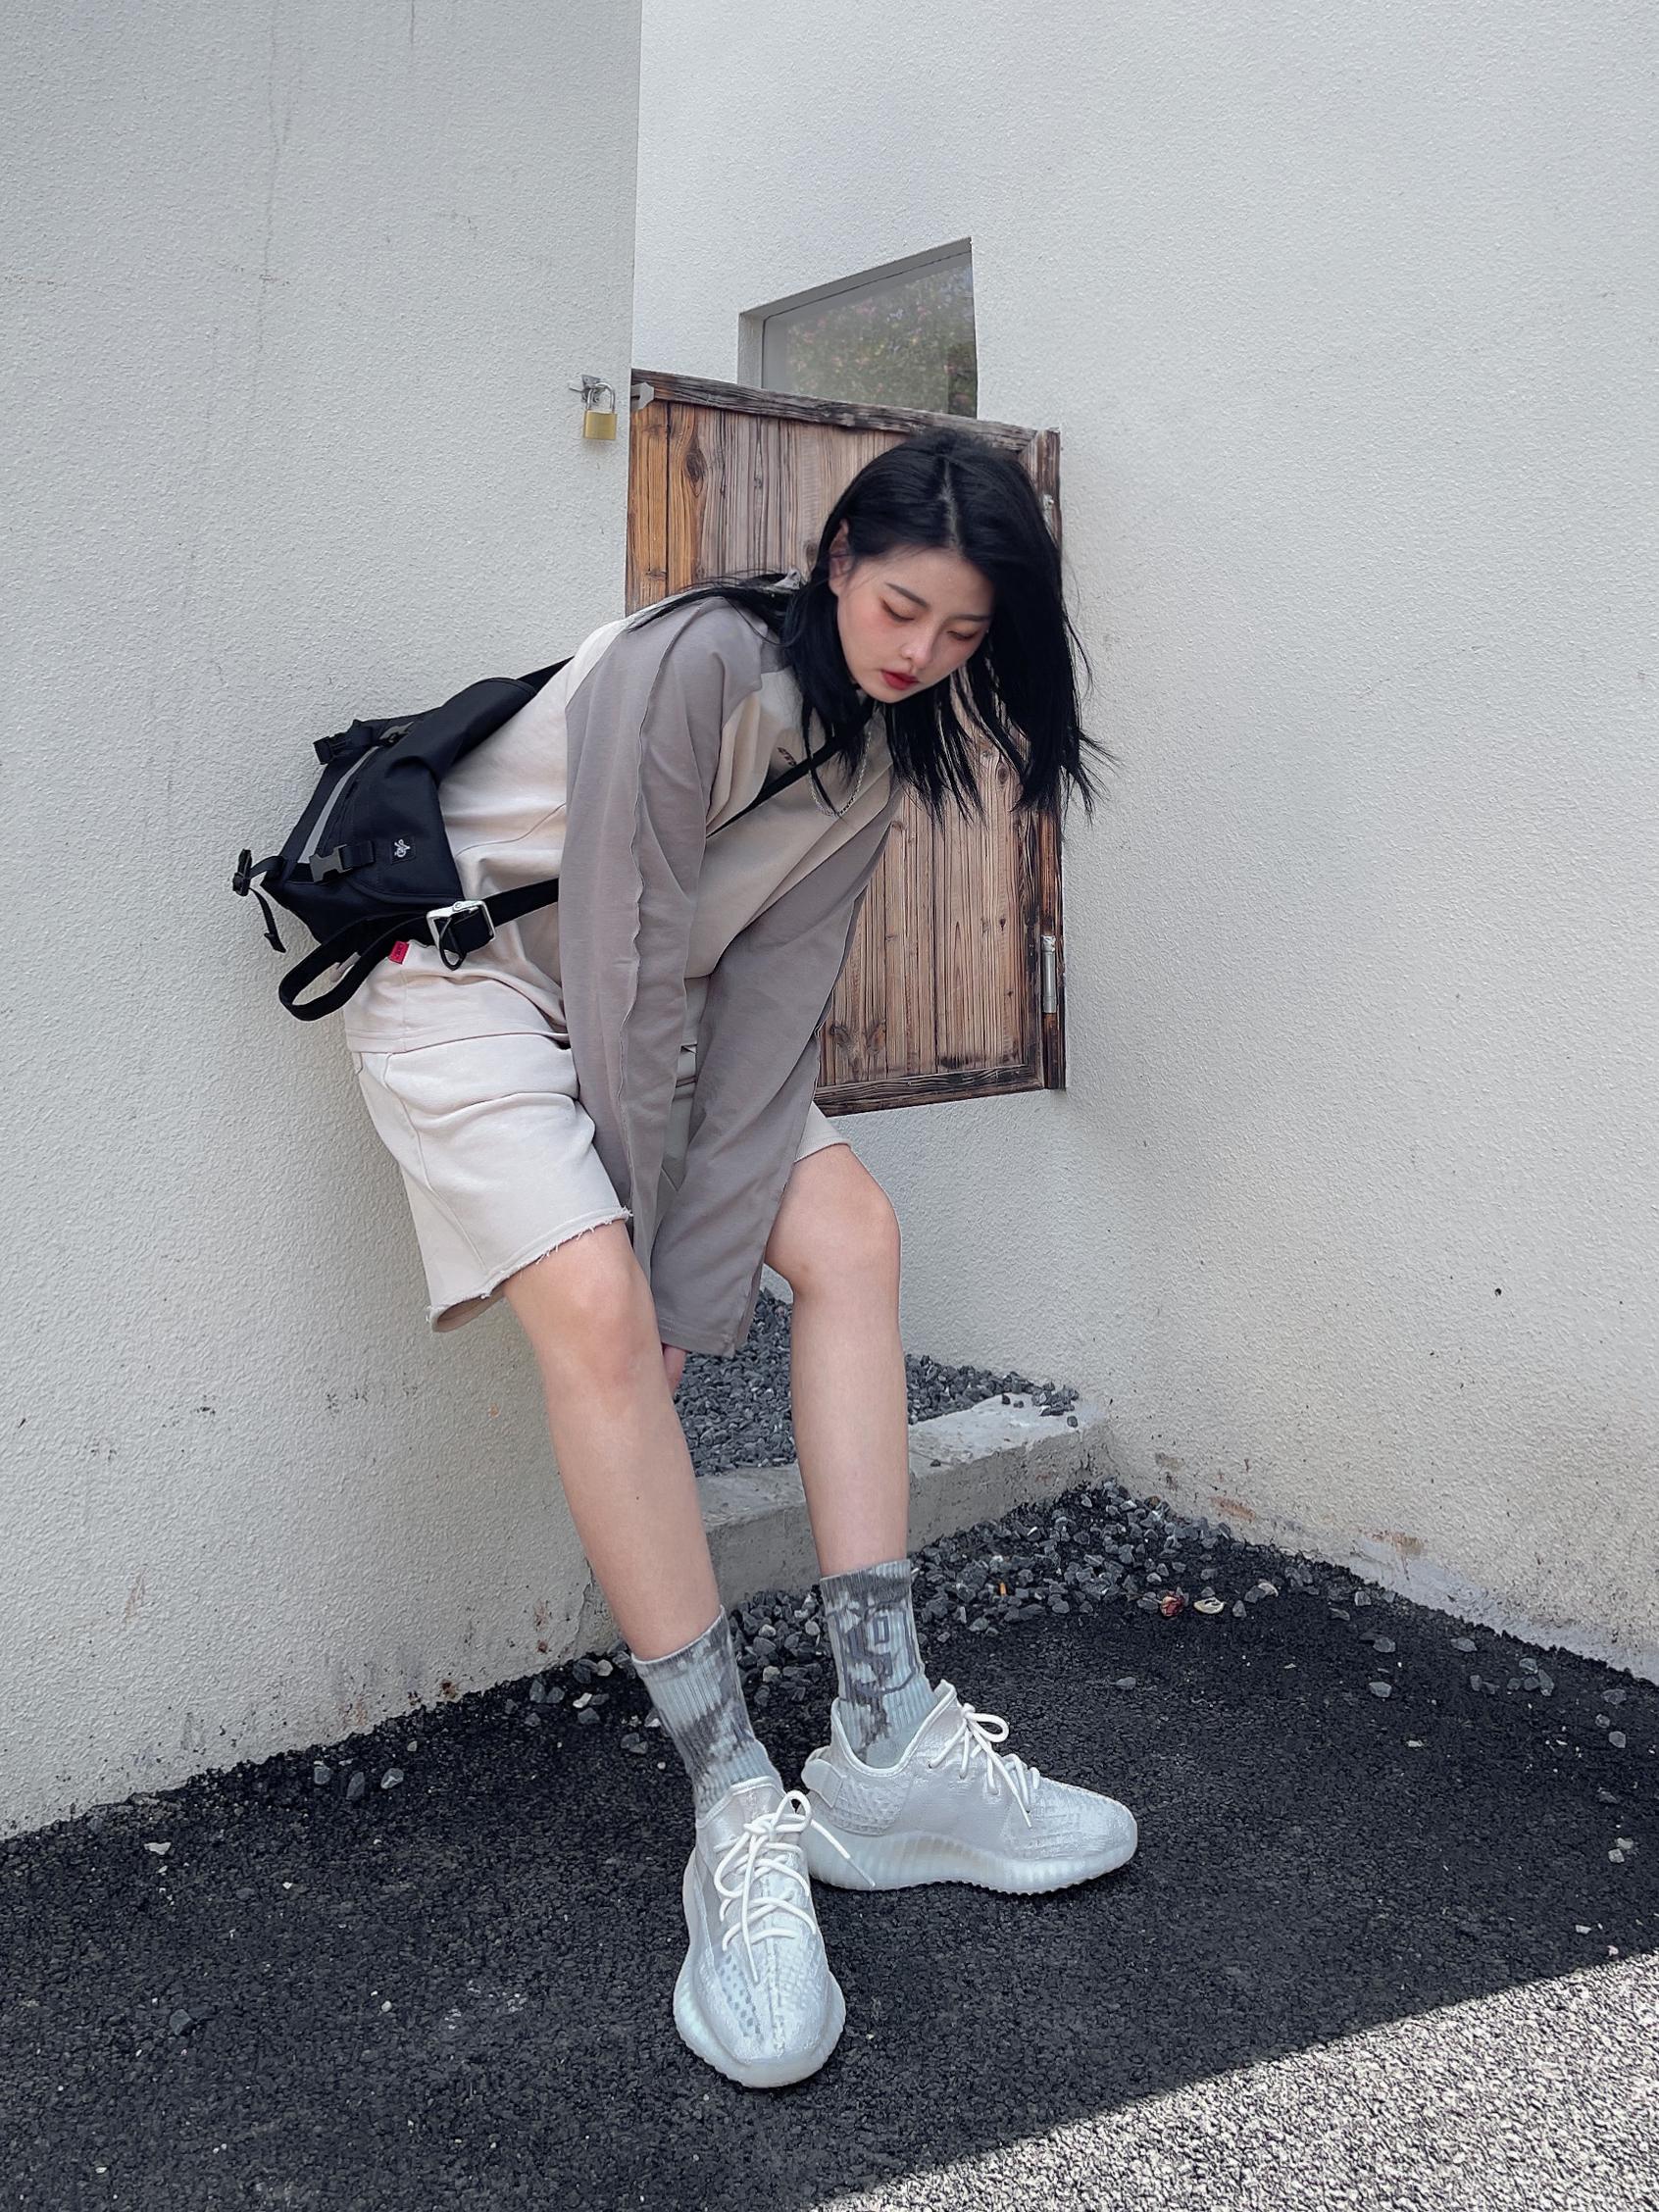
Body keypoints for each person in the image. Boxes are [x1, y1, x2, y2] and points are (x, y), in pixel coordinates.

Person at [342, 427, 1137, 2090]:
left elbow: (763, 1024)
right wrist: (660, 1281)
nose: (922, 654)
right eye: (902, 608)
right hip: (466, 984)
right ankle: (732, 1805)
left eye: (964, 634)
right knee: (596, 1307)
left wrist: (703, 1290)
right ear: (839, 558)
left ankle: (886, 1742)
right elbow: (626, 968)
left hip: (645, 1010)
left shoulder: (874, 757)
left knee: (851, 1232)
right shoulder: (697, 660)